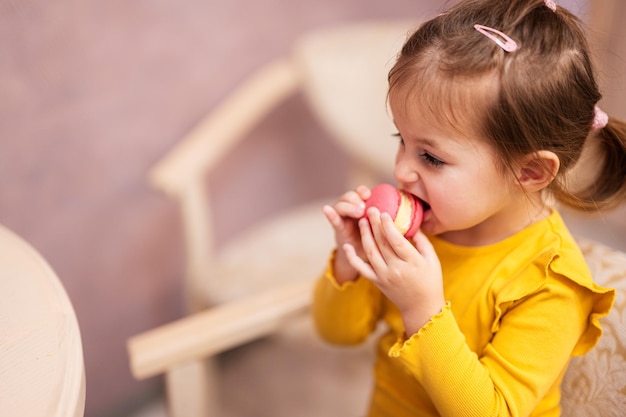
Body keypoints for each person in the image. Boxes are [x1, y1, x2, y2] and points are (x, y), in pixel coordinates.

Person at [312, 0, 626, 416]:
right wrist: (350, 262)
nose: (401, 169)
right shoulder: (420, 231)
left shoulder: (550, 284)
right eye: (401, 139)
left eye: (432, 158)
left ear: (530, 171)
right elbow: (337, 332)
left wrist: (422, 310)